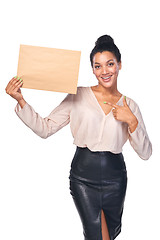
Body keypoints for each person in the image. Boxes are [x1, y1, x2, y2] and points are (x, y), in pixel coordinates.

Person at [5, 35, 152, 240]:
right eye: (98, 66)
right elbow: (45, 129)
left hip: (116, 177)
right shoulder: (78, 95)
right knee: (96, 235)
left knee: (110, 233)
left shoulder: (131, 106)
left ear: (119, 64)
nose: (104, 71)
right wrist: (21, 100)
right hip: (83, 176)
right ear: (92, 69)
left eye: (110, 64)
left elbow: (146, 154)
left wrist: (132, 121)